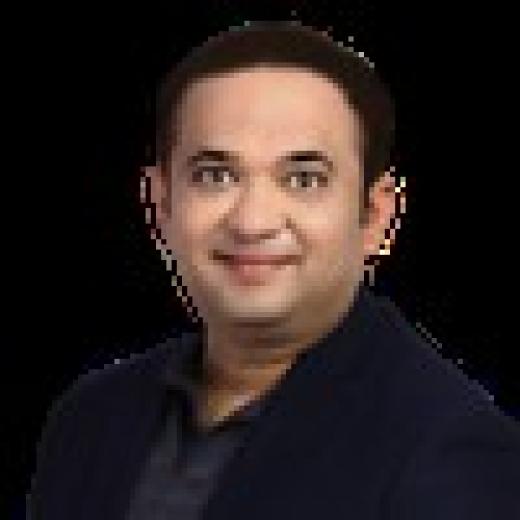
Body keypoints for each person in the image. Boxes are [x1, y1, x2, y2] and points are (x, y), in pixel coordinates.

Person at [28, 21, 520, 519]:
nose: (253, 222)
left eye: (304, 179)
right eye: (215, 175)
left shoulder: (450, 447)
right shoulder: (90, 417)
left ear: (376, 217)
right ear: (160, 204)